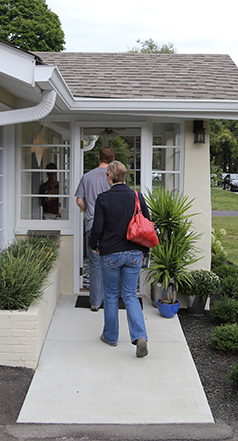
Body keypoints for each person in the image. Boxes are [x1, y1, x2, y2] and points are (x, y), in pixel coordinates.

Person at [89, 160, 149, 358]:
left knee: (112, 295)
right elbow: (147, 223)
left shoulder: (103, 199)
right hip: (134, 253)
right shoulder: (137, 196)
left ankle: (111, 337)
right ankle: (140, 336)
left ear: (109, 177)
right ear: (124, 177)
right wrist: (144, 250)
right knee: (130, 295)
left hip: (111, 254)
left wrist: (94, 246)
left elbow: (97, 228)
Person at [75, 147, 115, 311]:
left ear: (98, 157)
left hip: (92, 225)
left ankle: (95, 303)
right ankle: (109, 300)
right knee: (111, 263)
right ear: (113, 159)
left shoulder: (87, 176)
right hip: (111, 226)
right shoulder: (114, 177)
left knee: (94, 264)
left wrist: (89, 212)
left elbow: (78, 200)